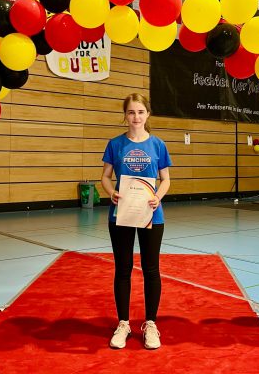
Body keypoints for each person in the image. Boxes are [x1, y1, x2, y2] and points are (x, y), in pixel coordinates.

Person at [101, 93, 172, 350]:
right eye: (131, 112)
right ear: (125, 116)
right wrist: (112, 192)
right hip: (121, 214)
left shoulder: (158, 145)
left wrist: (157, 196)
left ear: (147, 114)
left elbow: (166, 179)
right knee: (123, 269)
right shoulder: (115, 144)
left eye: (140, 112)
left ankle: (151, 324)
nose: (136, 117)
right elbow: (106, 177)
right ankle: (123, 323)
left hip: (152, 214)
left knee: (151, 270)